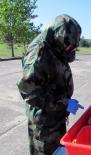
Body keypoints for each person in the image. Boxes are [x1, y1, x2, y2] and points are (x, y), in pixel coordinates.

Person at [17, 14, 84, 155]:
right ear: (59, 37)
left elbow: (64, 60)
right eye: (69, 46)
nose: (71, 49)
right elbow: (31, 94)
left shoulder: (56, 45)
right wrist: (64, 103)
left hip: (55, 118)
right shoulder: (38, 55)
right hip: (44, 125)